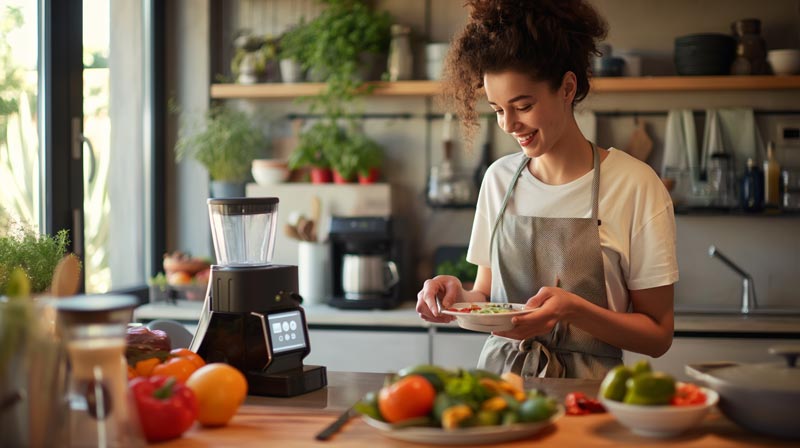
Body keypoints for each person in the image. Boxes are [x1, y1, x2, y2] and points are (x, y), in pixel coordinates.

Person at [416, 0, 678, 380]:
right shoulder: (499, 180)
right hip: (502, 386)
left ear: (567, 87)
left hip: (589, 395)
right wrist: (458, 295)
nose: (509, 124)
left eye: (522, 105)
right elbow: (487, 297)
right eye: (497, 109)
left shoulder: (635, 185)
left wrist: (572, 311)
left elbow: (658, 336)